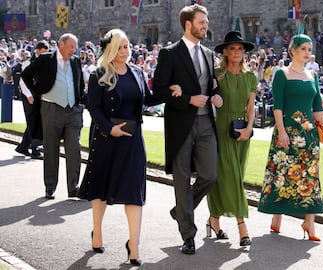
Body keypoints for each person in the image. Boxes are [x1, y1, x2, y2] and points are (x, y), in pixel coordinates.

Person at [77, 29, 177, 266]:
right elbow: (94, 107)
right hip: (106, 140)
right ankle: (98, 232)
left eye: (127, 46)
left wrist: (170, 92)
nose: (125, 51)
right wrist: (109, 129)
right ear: (111, 49)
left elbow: (148, 99)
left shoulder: (137, 72)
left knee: (134, 193)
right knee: (100, 188)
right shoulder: (99, 74)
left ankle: (134, 245)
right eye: (120, 47)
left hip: (132, 142)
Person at [152, 4, 223, 255]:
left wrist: (217, 96)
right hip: (180, 123)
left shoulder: (207, 53)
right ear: (188, 24)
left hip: (206, 123)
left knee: (210, 174)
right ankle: (188, 235)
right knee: (181, 180)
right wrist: (187, 99)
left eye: (206, 21)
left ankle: (181, 210)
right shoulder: (169, 54)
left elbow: (212, 85)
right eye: (202, 22)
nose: (206, 26)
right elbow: (158, 92)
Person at [257, 33, 323, 241]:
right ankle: (276, 217)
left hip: (309, 135)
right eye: (303, 48)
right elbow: (277, 106)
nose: (307, 53)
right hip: (287, 130)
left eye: (309, 49)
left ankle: (309, 222)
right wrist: (282, 131)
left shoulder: (313, 75)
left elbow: (317, 106)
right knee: (282, 173)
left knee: (310, 176)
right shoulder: (282, 73)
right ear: (293, 51)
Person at [205, 31, 256, 247]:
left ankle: (213, 220)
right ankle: (242, 227)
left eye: (240, 49)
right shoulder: (216, 74)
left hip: (242, 131)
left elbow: (251, 107)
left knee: (231, 176)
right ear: (225, 52)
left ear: (244, 52)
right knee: (232, 177)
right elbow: (208, 99)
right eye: (232, 48)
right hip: (220, 130)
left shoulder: (250, 77)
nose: (236, 52)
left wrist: (249, 129)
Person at [21, 33, 86, 200]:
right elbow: (26, 75)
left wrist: (81, 102)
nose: (74, 50)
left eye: (75, 46)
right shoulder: (45, 59)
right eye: (71, 46)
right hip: (51, 108)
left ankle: (74, 187)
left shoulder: (76, 61)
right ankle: (50, 187)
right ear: (61, 45)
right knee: (51, 148)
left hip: (73, 111)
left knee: (74, 148)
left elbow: (79, 84)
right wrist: (38, 92)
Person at [15, 41, 50, 159]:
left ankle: (25, 146)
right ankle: (33, 149)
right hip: (29, 96)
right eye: (43, 51)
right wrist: (29, 95)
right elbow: (23, 81)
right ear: (38, 50)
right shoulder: (28, 63)